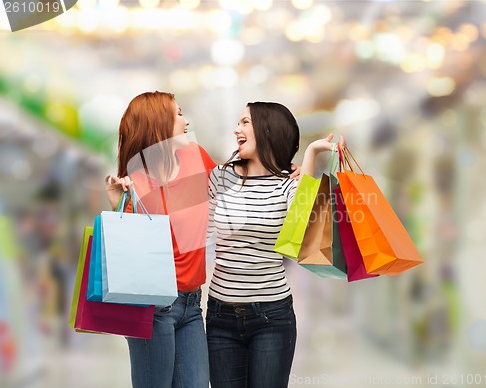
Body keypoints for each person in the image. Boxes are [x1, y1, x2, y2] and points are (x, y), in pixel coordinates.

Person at [206, 101, 339, 388]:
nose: (236, 129)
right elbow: (196, 231)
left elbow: (302, 230)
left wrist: (312, 155)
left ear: (267, 131)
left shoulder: (287, 184)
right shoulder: (219, 176)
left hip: (271, 316)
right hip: (220, 316)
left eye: (244, 123)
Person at [104, 91, 216, 388]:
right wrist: (118, 202)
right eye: (178, 114)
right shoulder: (136, 182)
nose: (186, 121)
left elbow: (235, 186)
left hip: (192, 305)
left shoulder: (198, 158)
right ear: (157, 124)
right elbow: (124, 252)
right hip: (151, 308)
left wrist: (287, 172)